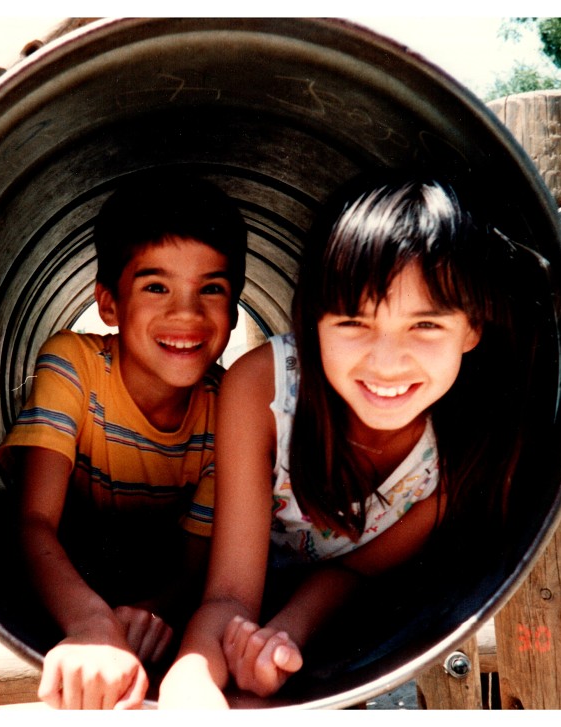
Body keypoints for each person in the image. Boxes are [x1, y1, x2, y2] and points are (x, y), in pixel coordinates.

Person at [158, 173, 528, 707]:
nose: (387, 363)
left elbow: (357, 569)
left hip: (340, 610)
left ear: (472, 328)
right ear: (315, 321)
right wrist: (188, 682)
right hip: (224, 575)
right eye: (355, 322)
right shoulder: (264, 388)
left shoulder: (463, 443)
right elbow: (230, 592)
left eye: (425, 326)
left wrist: (283, 637)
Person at [0, 170, 248, 709]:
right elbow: (33, 520)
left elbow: (197, 566)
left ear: (233, 311)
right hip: (67, 571)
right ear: (109, 304)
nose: (186, 313)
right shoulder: (76, 367)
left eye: (211, 289)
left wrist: (154, 611)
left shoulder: (227, 409)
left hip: (157, 574)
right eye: (156, 287)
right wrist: (92, 624)